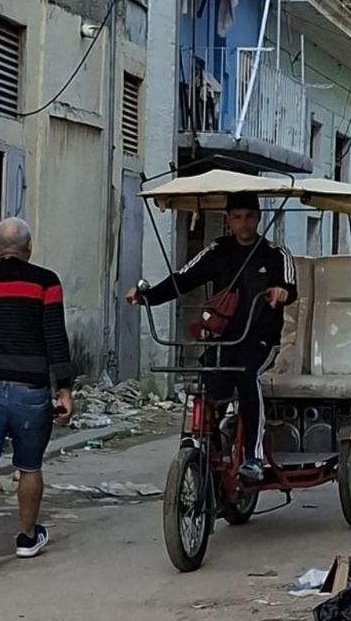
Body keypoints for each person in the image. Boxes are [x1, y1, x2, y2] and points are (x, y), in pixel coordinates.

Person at [125, 192, 296, 482]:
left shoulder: (276, 254)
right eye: (237, 217)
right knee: (206, 380)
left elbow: (290, 287)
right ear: (228, 220)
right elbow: (182, 279)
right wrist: (147, 297)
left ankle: (253, 456)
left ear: (258, 218)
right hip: (222, 340)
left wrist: (282, 292)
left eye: (249, 217)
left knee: (247, 377)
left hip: (261, 341)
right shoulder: (217, 251)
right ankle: (208, 441)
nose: (244, 223)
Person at [0, 218, 74, 575]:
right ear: (29, 247)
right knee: (29, 466)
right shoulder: (46, 282)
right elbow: (55, 336)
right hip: (30, 389)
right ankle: (26, 537)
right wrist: (64, 388)